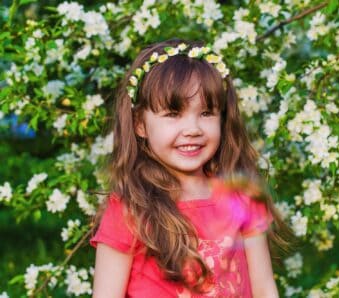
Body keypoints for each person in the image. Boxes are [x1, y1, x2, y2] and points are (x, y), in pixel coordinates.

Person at [91, 39, 290, 298]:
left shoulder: (241, 196)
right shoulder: (130, 209)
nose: (193, 129)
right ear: (140, 123)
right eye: (173, 114)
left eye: (206, 113)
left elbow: (264, 289)